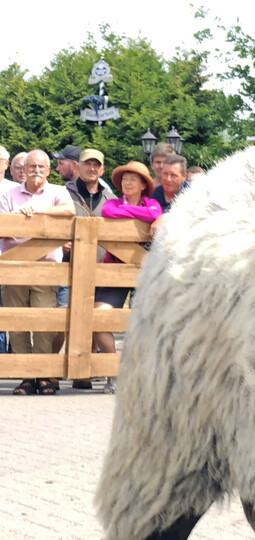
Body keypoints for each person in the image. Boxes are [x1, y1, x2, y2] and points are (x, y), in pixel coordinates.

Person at [0, 149, 76, 395]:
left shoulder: (58, 191)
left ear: (48, 170)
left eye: (41, 167)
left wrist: (37, 211)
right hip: (14, 267)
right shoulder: (7, 193)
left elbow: (69, 210)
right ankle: (26, 376)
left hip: (46, 268)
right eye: (32, 166)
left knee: (45, 321)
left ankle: (43, 374)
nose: (36, 170)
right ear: (23, 170)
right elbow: (5, 226)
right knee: (17, 321)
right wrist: (25, 222)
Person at [97, 161, 163, 394]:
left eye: (133, 179)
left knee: (148, 321)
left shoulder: (153, 204)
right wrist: (141, 217)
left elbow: (155, 213)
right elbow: (108, 212)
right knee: (99, 316)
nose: (128, 183)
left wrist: (134, 216)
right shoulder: (113, 203)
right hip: (115, 270)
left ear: (144, 185)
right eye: (125, 179)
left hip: (144, 272)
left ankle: (142, 377)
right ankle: (112, 372)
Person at [56, 148, 116, 386]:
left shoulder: (110, 198)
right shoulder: (63, 193)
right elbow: (52, 223)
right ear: (78, 167)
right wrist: (60, 241)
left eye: (96, 165)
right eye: (87, 164)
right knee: (61, 318)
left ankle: (84, 373)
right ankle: (49, 370)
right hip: (68, 266)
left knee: (91, 319)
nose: (92, 169)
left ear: (102, 170)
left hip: (99, 266)